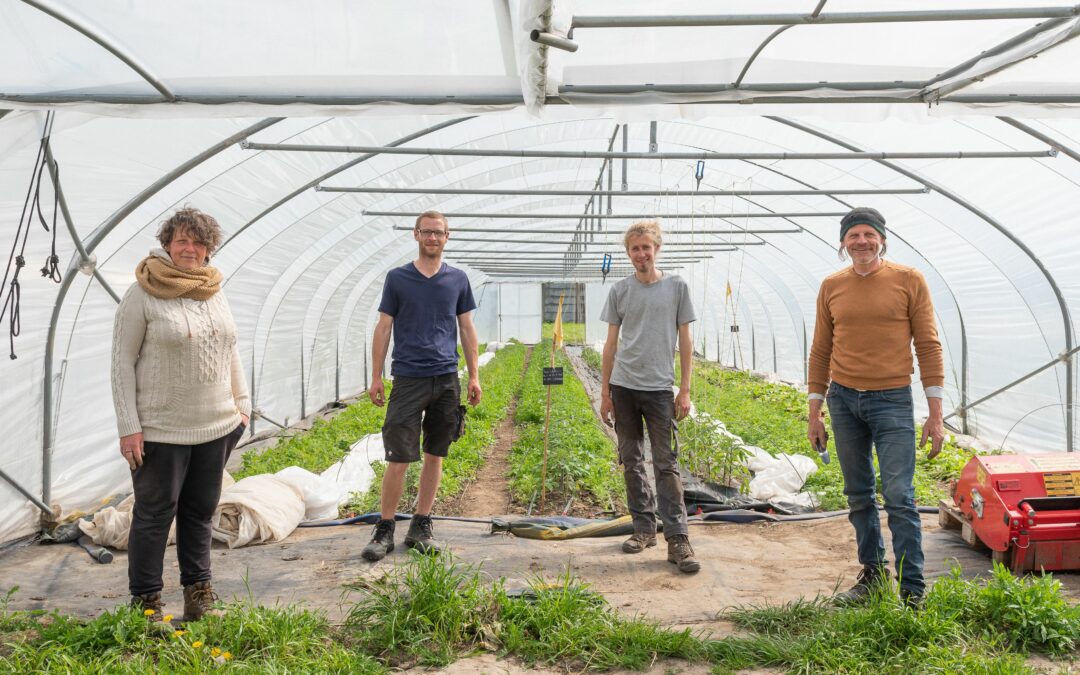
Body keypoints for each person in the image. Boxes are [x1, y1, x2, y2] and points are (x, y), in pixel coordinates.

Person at [111, 207, 250, 622]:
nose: (190, 249)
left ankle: (199, 594)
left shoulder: (213, 288)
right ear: (168, 244)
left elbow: (230, 347)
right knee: (154, 514)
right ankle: (147, 603)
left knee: (200, 511)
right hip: (162, 428)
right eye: (182, 241)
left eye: (198, 242)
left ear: (209, 249)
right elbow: (121, 362)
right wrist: (129, 426)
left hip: (217, 424)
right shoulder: (143, 292)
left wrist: (242, 405)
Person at [807, 206, 945, 607]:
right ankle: (872, 576)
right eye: (854, 236)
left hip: (892, 400)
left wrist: (936, 416)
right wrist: (815, 410)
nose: (862, 242)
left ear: (882, 239)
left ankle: (912, 590)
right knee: (859, 494)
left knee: (900, 496)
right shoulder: (832, 286)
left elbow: (929, 346)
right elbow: (821, 350)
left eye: (869, 234)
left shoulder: (908, 280)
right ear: (843, 243)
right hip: (844, 400)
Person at [362, 210, 482, 561]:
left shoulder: (457, 279)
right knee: (398, 456)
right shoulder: (398, 279)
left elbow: (467, 328)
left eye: (438, 233)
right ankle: (385, 528)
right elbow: (384, 327)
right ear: (416, 235)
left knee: (435, 453)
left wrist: (474, 375)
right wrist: (375, 376)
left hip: (446, 378)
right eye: (426, 232)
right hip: (408, 378)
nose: (433, 238)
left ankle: (421, 523)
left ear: (448, 236)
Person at [599, 220, 700, 573]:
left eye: (646, 247)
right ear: (628, 254)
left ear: (657, 249)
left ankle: (678, 539)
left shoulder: (676, 286)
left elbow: (685, 341)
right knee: (631, 459)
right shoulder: (620, 290)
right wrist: (605, 392)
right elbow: (610, 345)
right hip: (624, 386)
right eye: (634, 249)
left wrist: (684, 389)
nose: (641, 254)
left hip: (659, 388)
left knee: (666, 463)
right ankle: (643, 529)